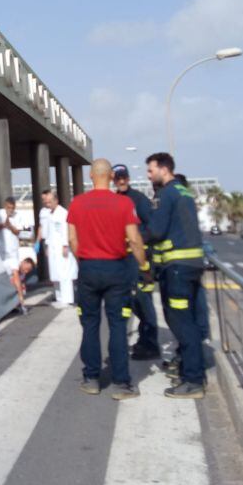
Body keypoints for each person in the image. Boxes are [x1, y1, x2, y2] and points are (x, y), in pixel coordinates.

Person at [67, 158, 151, 401]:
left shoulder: (78, 203)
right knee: (118, 325)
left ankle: (91, 378)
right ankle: (121, 383)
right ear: (111, 178)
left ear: (92, 176)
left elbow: (72, 240)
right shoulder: (124, 203)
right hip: (117, 270)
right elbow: (134, 240)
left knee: (90, 324)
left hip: (88, 269)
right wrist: (144, 266)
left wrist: (84, 260)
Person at [145, 152, 206, 399]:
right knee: (187, 319)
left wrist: (135, 236)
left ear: (164, 169)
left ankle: (193, 379)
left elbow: (157, 231)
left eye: (151, 170)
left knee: (180, 321)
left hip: (178, 268)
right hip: (191, 265)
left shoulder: (167, 194)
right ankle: (189, 371)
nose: (149, 175)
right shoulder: (184, 191)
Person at [113, 164, 159, 360]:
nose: (121, 181)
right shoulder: (113, 201)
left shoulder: (138, 200)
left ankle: (150, 344)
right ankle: (142, 341)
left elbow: (152, 227)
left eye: (124, 177)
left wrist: (138, 242)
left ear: (129, 179)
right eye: (118, 178)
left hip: (140, 260)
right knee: (129, 303)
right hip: (122, 260)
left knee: (143, 303)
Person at [176, 173, 211, 343]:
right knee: (198, 302)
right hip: (194, 264)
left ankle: (191, 350)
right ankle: (201, 336)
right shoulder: (189, 202)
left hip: (181, 267)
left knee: (185, 312)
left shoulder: (179, 204)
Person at [0, 197, 32, 313]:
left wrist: (9, 226)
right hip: (1, 252)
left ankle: (21, 302)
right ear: (5, 206)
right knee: (3, 279)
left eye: (12, 208)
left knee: (16, 277)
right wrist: (2, 225)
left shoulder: (17, 216)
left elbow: (19, 232)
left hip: (13, 252)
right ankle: (4, 304)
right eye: (9, 208)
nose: (10, 210)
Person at [41, 189, 76, 307]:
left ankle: (67, 298)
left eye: (50, 202)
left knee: (64, 273)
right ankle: (59, 297)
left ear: (56, 200)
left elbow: (66, 230)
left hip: (62, 247)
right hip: (52, 247)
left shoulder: (63, 213)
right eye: (46, 202)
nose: (48, 204)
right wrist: (47, 245)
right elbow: (48, 232)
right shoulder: (49, 213)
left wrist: (66, 245)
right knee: (55, 273)